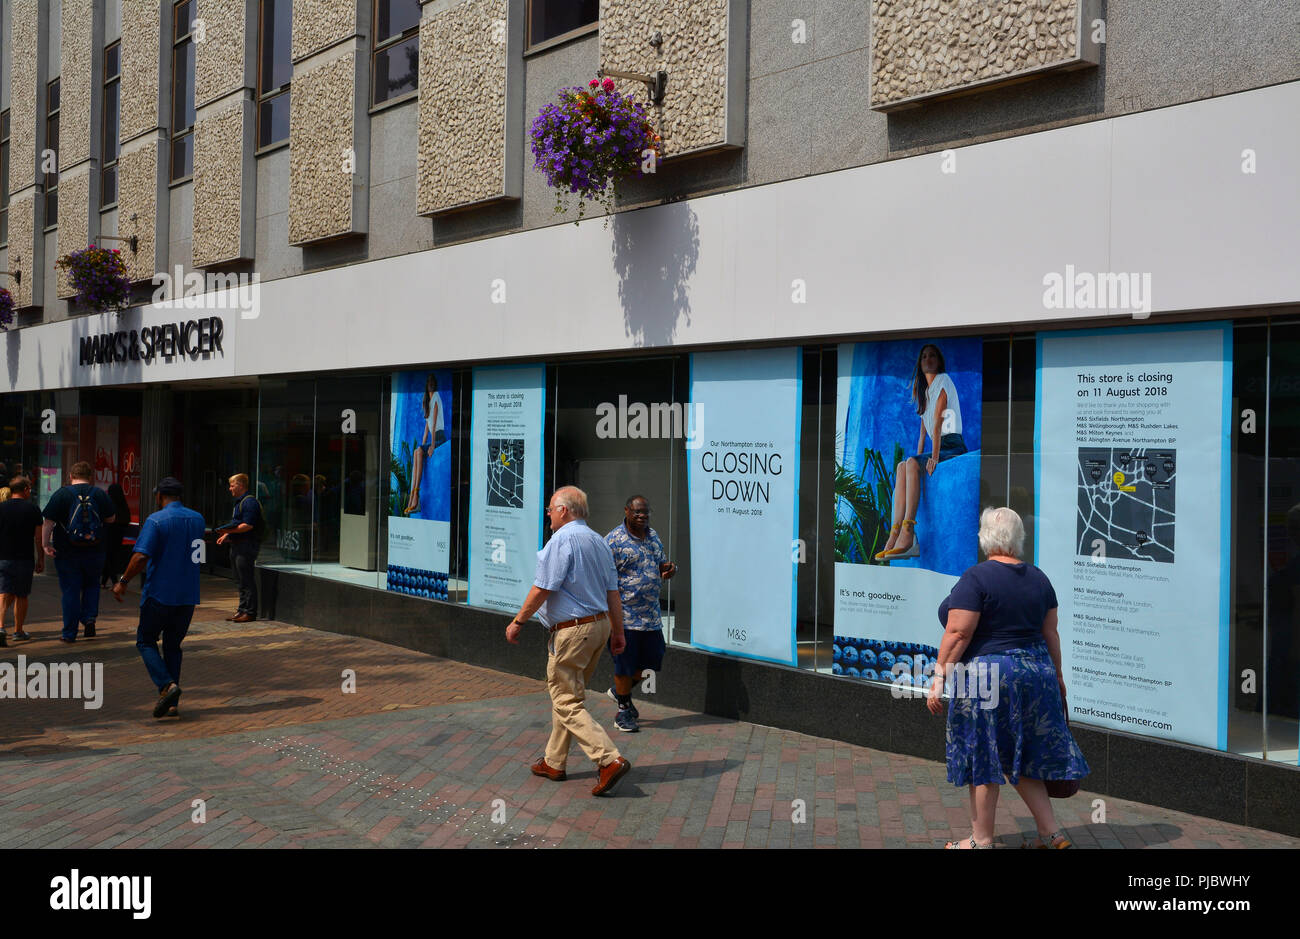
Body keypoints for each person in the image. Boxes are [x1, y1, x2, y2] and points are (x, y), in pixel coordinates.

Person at [927, 507, 1088, 848]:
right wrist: (1058, 677)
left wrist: (939, 677)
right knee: (1025, 755)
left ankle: (980, 841)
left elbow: (958, 633)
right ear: (1019, 538)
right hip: (1036, 674)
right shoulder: (1039, 579)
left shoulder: (976, 578)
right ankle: (1051, 834)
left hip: (987, 678)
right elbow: (1051, 634)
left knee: (983, 757)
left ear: (984, 537)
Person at [505, 485, 631, 796]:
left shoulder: (562, 540)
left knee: (565, 701)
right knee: (569, 697)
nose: (548, 514)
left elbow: (542, 588)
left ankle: (609, 760)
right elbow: (613, 593)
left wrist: (518, 621)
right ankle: (554, 761)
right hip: (599, 627)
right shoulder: (599, 542)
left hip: (573, 632)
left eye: (550, 509)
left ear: (563, 510)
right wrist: (617, 632)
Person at [113, 477, 205, 719]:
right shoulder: (198, 519)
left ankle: (166, 685)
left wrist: (123, 581)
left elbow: (140, 557)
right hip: (188, 594)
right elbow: (199, 557)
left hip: (160, 594)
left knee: (145, 641)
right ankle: (172, 703)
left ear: (160, 496)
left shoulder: (156, 520)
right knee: (173, 646)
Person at [876, 343, 968, 560]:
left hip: (952, 444)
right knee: (902, 466)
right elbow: (922, 435)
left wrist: (933, 458)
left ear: (939, 361)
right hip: (939, 444)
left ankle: (908, 532)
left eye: (932, 355)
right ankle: (895, 533)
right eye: (924, 356)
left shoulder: (944, 380)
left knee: (910, 463)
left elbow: (937, 423)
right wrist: (914, 461)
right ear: (920, 363)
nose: (928, 359)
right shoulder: (925, 393)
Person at [604, 495, 677, 732]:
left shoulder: (653, 536)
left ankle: (619, 692)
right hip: (625, 617)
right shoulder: (614, 541)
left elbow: (660, 564)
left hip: (652, 616)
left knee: (652, 664)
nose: (642, 516)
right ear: (626, 511)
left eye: (645, 512)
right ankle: (623, 712)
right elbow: (602, 579)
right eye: (637, 512)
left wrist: (668, 570)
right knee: (625, 666)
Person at [41, 461, 117, 642]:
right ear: (90, 476)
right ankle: (89, 619)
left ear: (71, 476)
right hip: (95, 550)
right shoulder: (99, 493)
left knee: (71, 591)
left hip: (67, 552)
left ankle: (69, 633)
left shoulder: (61, 494)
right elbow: (111, 519)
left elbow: (48, 522)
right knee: (92, 585)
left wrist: (45, 544)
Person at [0, 477, 45, 645]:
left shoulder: (1, 507)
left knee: (3, 592)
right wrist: (41, 558)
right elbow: (38, 538)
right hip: (24, 558)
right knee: (21, 595)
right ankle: (18, 631)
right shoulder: (33, 509)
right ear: (25, 489)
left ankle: (0, 627)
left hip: (3, 557)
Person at [215, 473, 263, 623]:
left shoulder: (249, 502)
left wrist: (228, 531)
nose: (230, 489)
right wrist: (227, 535)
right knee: (239, 579)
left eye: (232, 485)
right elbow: (238, 523)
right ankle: (242, 610)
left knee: (246, 579)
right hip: (237, 545)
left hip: (246, 546)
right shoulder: (239, 502)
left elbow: (248, 525)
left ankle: (250, 612)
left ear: (241, 485)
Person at [403, 373, 445, 516]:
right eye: (429, 383)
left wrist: (431, 446)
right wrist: (421, 445)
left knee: (419, 450)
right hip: (433, 437)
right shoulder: (428, 402)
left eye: (433, 383)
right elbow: (427, 427)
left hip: (439, 437)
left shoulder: (437, 397)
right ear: (427, 385)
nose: (431, 385)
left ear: (435, 385)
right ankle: (413, 497)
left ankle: (415, 496)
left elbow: (434, 424)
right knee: (417, 451)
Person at [100, 483, 132, 587]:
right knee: (112, 558)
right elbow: (127, 520)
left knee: (108, 558)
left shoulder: (109, 505)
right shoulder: (123, 505)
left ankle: (114, 583)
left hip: (108, 534)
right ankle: (104, 582)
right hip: (119, 535)